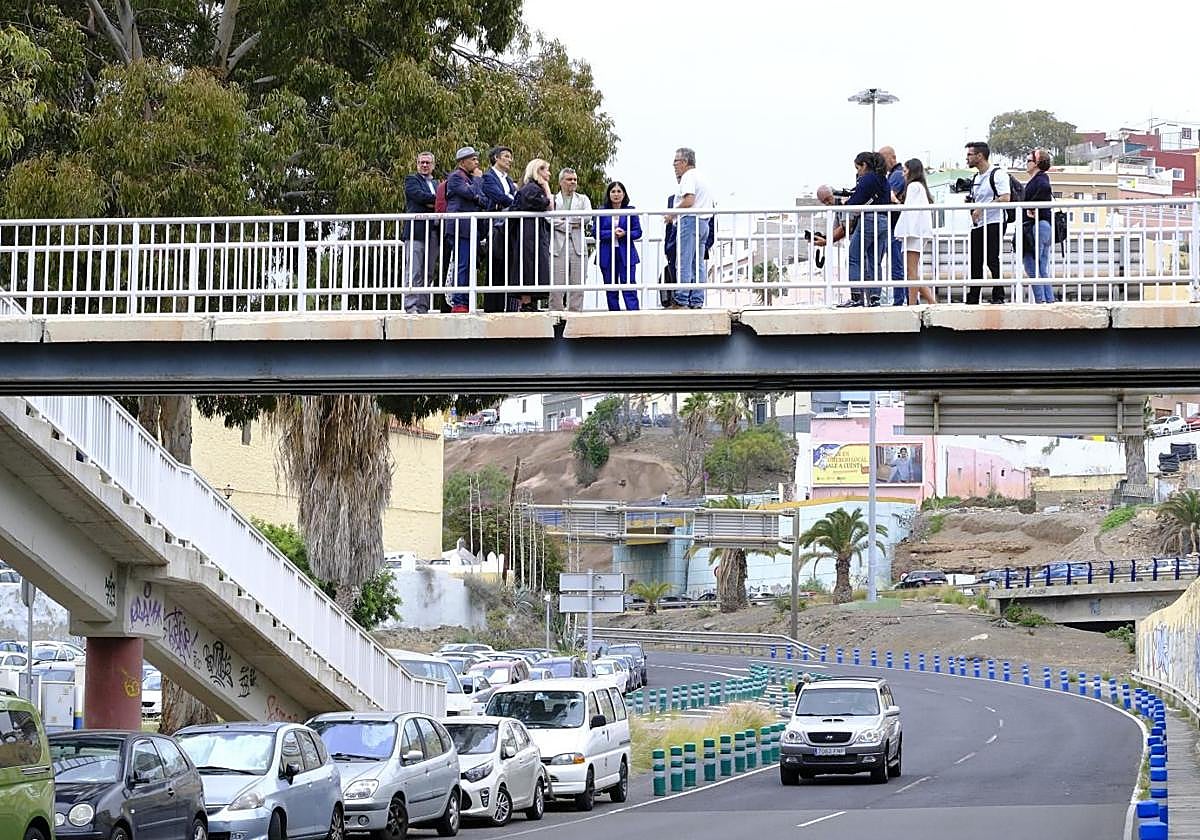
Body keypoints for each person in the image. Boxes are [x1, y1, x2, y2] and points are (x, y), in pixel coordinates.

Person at [837, 152, 891, 307]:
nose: (857, 172)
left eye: (858, 168)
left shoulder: (867, 178)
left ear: (864, 165)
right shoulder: (883, 179)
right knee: (875, 261)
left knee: (854, 257)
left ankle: (856, 298)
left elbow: (856, 201)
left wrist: (844, 203)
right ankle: (875, 297)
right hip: (883, 220)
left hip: (869, 220)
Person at [667, 147, 713, 309]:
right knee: (697, 263)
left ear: (685, 162)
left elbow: (689, 201)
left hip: (690, 221)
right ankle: (697, 299)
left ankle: (681, 298)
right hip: (703, 223)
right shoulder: (701, 177)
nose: (674, 166)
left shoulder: (688, 176)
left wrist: (671, 215)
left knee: (684, 261)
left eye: (676, 162)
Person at [965, 141, 1010, 305]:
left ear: (980, 156)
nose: (967, 158)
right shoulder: (976, 177)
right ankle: (973, 297)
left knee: (992, 258)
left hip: (995, 221)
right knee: (975, 260)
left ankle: (999, 295)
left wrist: (982, 209)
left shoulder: (997, 174)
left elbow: (1005, 198)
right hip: (979, 223)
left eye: (970, 154)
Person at [443, 147, 486, 313]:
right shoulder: (455, 177)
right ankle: (459, 301)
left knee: (470, 265)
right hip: (460, 228)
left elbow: (482, 199)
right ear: (462, 162)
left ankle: (467, 299)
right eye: (473, 160)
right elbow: (471, 193)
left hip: (472, 228)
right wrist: (476, 182)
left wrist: (475, 190)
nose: (476, 163)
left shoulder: (470, 178)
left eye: (476, 159)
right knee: (462, 264)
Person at [509, 158, 554, 312]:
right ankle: (526, 302)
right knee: (528, 263)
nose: (549, 173)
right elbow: (548, 205)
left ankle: (531, 302)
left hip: (533, 231)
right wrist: (546, 187)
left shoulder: (532, 188)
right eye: (545, 170)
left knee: (535, 264)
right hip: (528, 232)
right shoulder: (531, 189)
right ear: (538, 171)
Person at [893, 158, 937, 305]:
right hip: (918, 232)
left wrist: (895, 201)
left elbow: (910, 212)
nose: (903, 175)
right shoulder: (920, 187)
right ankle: (924, 302)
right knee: (912, 272)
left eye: (905, 171)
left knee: (911, 272)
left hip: (913, 233)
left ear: (911, 171)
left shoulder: (913, 187)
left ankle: (914, 304)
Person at [480, 146, 519, 312]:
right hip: (495, 225)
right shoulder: (488, 177)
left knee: (507, 264)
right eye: (506, 156)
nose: (509, 160)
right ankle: (492, 307)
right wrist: (516, 203)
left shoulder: (508, 180)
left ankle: (506, 306)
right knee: (495, 262)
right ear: (496, 158)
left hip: (507, 226)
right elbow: (498, 196)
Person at [402, 151, 441, 314]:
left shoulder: (438, 183)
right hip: (416, 232)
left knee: (428, 271)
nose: (424, 165)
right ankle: (411, 306)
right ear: (417, 164)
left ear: (433, 165)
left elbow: (442, 201)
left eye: (427, 163)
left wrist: (433, 202)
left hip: (433, 231)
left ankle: (423, 307)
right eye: (421, 162)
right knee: (415, 269)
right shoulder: (412, 180)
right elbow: (418, 196)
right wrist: (435, 200)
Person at [550, 168, 593, 311]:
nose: (573, 182)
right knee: (556, 284)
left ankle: (575, 314)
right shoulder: (552, 199)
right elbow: (549, 218)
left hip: (578, 245)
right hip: (557, 245)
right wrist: (571, 224)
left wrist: (562, 220)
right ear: (561, 182)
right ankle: (556, 315)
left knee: (578, 284)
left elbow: (586, 217)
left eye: (575, 179)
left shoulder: (583, 199)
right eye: (569, 179)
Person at [597, 180, 643, 311]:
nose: (616, 194)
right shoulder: (602, 211)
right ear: (608, 194)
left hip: (626, 253)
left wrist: (625, 233)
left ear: (624, 194)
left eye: (619, 191)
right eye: (613, 191)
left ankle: (634, 315)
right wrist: (612, 233)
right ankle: (614, 315)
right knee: (611, 288)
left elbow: (638, 232)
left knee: (629, 285)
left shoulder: (630, 211)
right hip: (607, 253)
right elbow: (596, 232)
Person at [1022, 149, 1056, 304]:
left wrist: (1033, 208)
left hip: (1038, 226)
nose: (1026, 163)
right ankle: (1048, 300)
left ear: (1036, 163)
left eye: (1029, 160)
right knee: (1041, 265)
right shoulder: (1040, 178)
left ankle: (1042, 301)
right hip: (1043, 225)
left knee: (1032, 264)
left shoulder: (1041, 178)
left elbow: (1044, 190)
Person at [880, 146, 908, 306]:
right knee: (898, 265)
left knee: (898, 266)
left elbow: (889, 196)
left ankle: (901, 300)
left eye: (883, 159)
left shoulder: (896, 175)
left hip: (896, 226)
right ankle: (906, 298)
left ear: (892, 157)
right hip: (895, 225)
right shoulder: (895, 174)